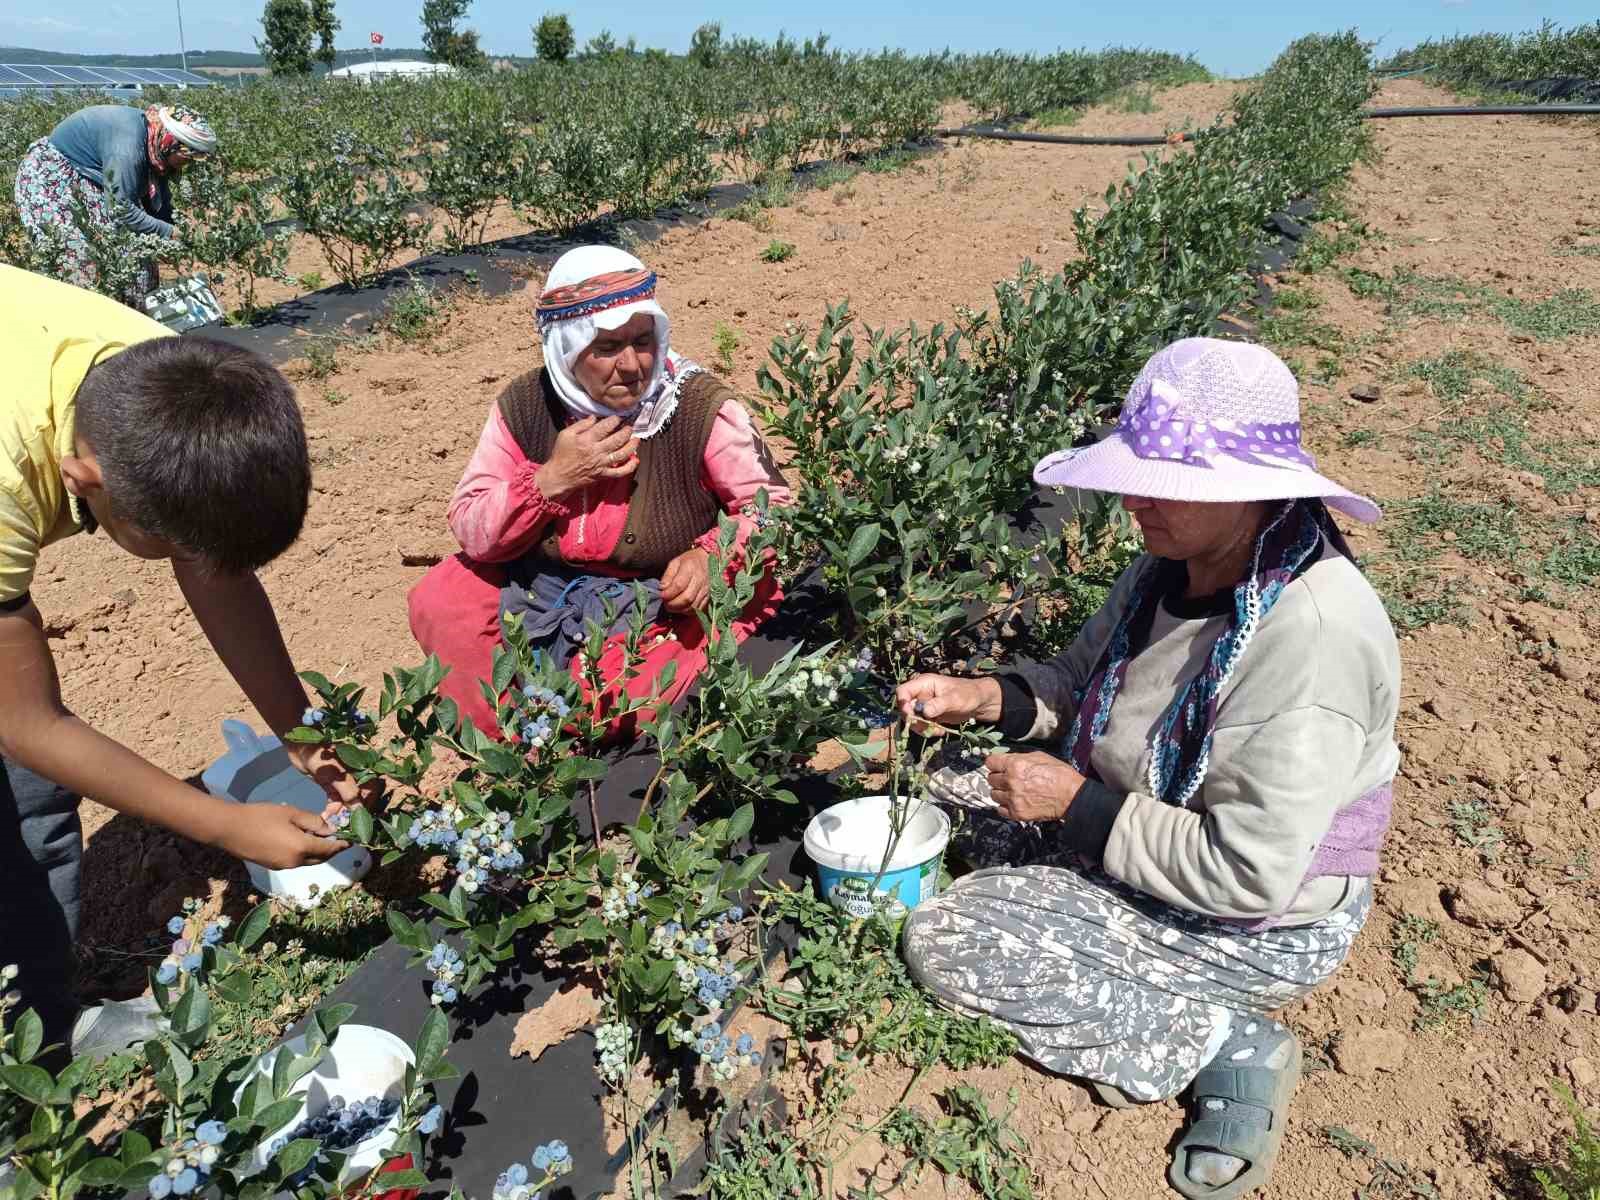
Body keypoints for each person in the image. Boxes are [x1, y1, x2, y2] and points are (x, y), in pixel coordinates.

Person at [895, 338, 1400, 1200]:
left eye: (1164, 483)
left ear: (1244, 493)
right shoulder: (1177, 558)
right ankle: (1073, 879)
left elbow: (1249, 871)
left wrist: (1076, 806)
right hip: (1150, 815)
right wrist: (982, 698)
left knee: (954, 937)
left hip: (1261, 920)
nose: (1134, 499)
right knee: (944, 789)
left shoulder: (1310, 638)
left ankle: (1223, 1044)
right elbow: (1078, 682)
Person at [1, 264, 360, 1062]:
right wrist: (227, 824)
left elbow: (213, 567)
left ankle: (48, 1025)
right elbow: (25, 720)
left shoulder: (163, 382)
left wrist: (303, 737)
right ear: (81, 479)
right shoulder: (6, 472)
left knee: (34, 809)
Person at [408, 246, 791, 738]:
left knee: (625, 690)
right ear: (567, 350)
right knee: (445, 598)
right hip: (543, 591)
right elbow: (472, 526)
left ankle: (570, 733)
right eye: (607, 347)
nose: (632, 365)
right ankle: (508, 753)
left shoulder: (696, 407)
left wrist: (708, 559)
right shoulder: (528, 405)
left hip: (658, 606)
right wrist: (552, 479)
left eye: (643, 340)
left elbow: (771, 508)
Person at [13, 103, 215, 307]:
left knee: (136, 259)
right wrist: (170, 232)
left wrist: (182, 233)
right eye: (189, 156)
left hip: (92, 177)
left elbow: (159, 206)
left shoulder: (156, 144)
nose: (188, 163)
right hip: (52, 178)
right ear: (171, 142)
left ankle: (134, 315)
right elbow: (122, 210)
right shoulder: (127, 149)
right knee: (81, 256)